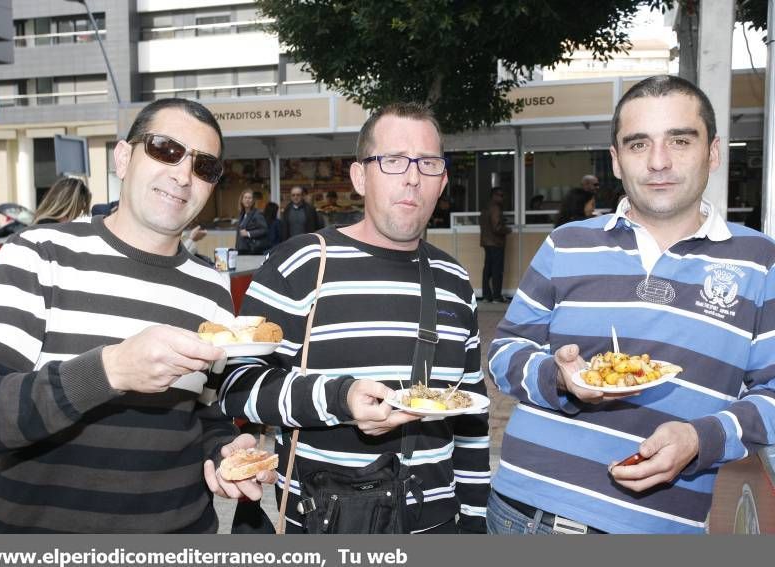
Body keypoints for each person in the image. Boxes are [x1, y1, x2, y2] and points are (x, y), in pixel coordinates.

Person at [486, 75, 775, 534]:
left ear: (714, 152)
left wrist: (701, 439)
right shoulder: (567, 244)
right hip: (524, 513)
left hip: (656, 528)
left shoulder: (761, 261)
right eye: (638, 145)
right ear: (617, 162)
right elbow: (504, 352)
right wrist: (558, 378)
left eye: (680, 140)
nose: (659, 162)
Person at [0, 97, 275, 533]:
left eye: (205, 167)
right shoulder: (39, 256)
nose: (182, 174)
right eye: (164, 148)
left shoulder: (211, 287)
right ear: (122, 157)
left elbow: (204, 413)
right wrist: (109, 370)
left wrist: (225, 452)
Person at [219, 102, 490, 534]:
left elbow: (472, 421)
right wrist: (339, 399)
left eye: (428, 163)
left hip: (439, 527)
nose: (412, 177)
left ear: (442, 181)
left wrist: (476, 524)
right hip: (330, 521)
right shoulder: (302, 263)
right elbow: (238, 388)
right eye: (394, 160)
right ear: (360, 177)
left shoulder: (455, 279)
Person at [479, 187, 511, 303]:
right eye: (500, 195)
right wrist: (507, 230)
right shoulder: (496, 208)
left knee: (487, 270)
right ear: (494, 196)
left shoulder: (486, 207)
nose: (502, 198)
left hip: (487, 242)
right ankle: (496, 296)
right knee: (497, 270)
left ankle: (487, 296)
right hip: (496, 243)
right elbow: (497, 227)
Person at [235, 189, 270, 254]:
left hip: (252, 250)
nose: (247, 200)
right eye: (245, 198)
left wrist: (248, 233)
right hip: (242, 249)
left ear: (253, 201)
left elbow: (264, 230)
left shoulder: (257, 214)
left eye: (250, 198)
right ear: (242, 200)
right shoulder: (242, 214)